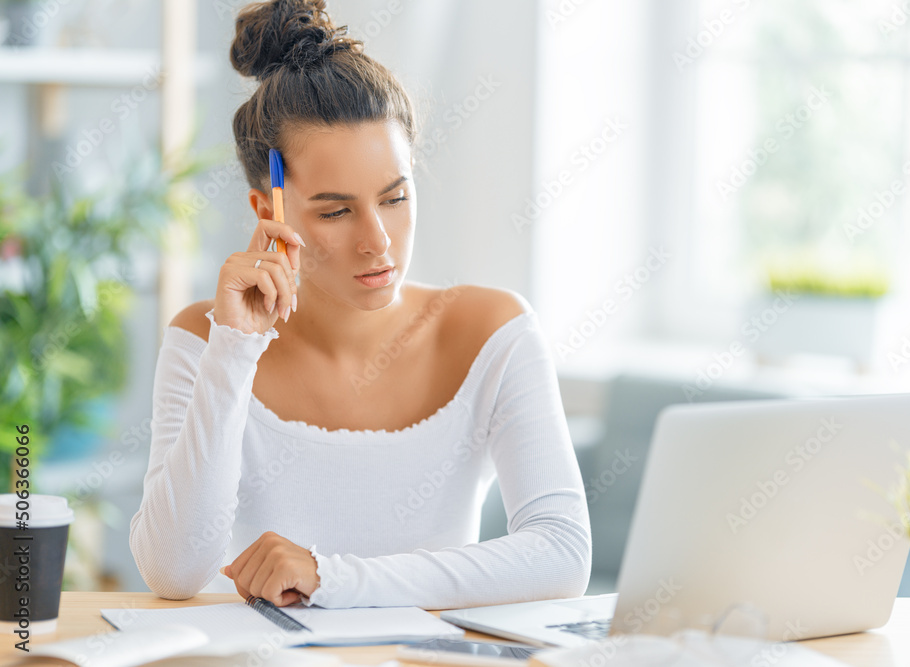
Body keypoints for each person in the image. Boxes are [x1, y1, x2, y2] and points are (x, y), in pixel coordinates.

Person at [128, 0, 591, 609]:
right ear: (268, 212)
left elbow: (561, 553)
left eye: (395, 198)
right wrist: (235, 349)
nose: (377, 240)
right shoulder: (205, 337)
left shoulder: (490, 330)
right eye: (336, 210)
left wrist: (333, 578)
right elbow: (173, 570)